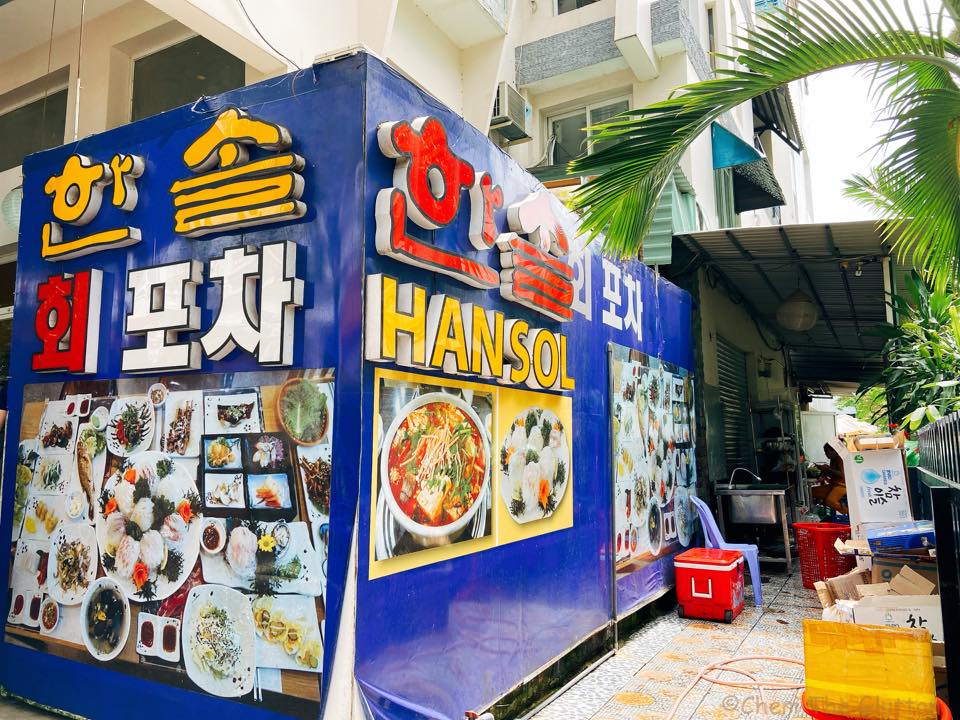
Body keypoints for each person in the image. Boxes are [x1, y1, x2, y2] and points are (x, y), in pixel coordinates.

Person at [811, 442, 847, 514]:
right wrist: (824, 471)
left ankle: (846, 511)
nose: (826, 454)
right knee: (812, 492)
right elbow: (832, 473)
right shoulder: (833, 459)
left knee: (829, 501)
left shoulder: (840, 459)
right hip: (833, 485)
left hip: (841, 486)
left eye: (827, 452)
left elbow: (841, 475)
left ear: (834, 450)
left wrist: (827, 468)